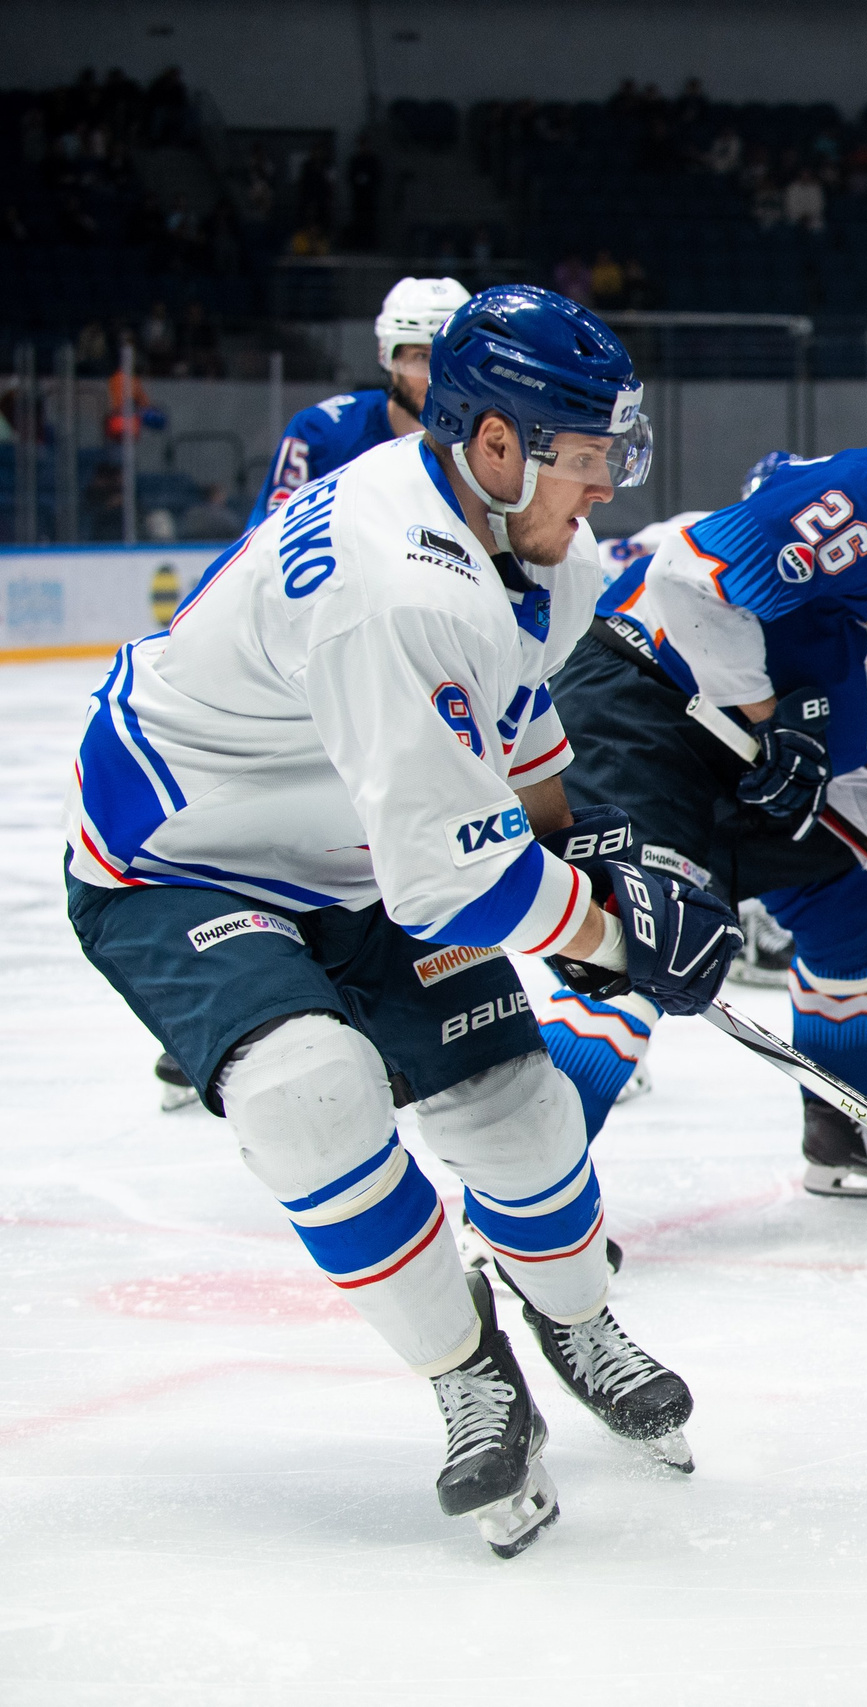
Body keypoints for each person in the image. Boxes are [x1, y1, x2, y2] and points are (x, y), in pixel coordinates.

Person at [66, 286, 731, 1556]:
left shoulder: (524, 542)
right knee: (308, 1092)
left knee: (516, 1111)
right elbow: (453, 883)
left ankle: (575, 1315)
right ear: (497, 447)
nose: (604, 490)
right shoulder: (403, 587)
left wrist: (598, 856)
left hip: (356, 843)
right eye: (588, 462)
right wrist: (621, 941)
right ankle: (467, 1366)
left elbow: (520, 745)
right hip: (183, 859)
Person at [531, 356, 867, 1201]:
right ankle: (524, 1197)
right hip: (646, 710)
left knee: (847, 909)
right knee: (647, 938)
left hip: (746, 763)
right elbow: (688, 576)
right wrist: (764, 712)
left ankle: (841, 1126)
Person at [258, 277, 469, 517]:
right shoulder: (320, 434)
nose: (435, 378)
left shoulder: (490, 443)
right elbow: (269, 545)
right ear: (387, 357)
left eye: (451, 358)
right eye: (421, 357)